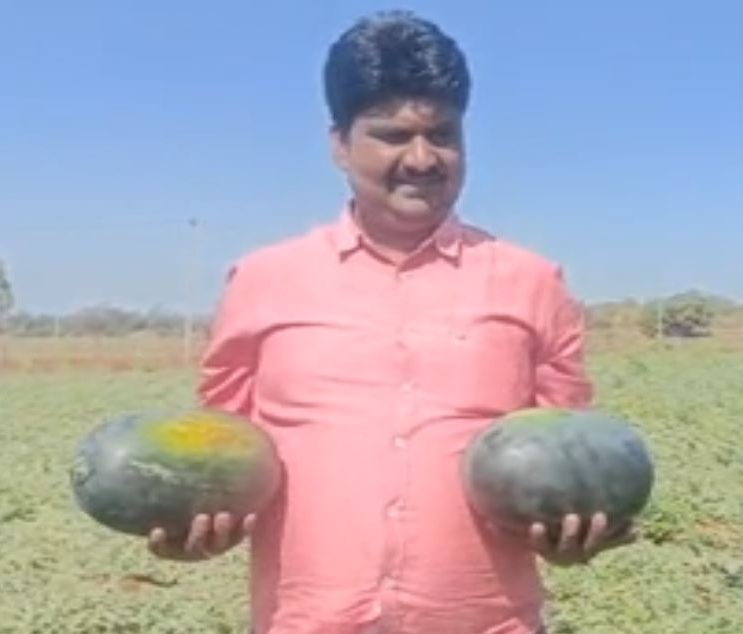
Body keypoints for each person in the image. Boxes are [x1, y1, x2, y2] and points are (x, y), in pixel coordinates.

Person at [147, 10, 636, 634]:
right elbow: (221, 455)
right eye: (391, 135)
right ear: (338, 145)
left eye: (444, 134)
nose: (423, 158)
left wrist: (580, 527)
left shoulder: (532, 281)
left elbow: (574, 458)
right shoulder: (262, 280)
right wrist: (198, 523)